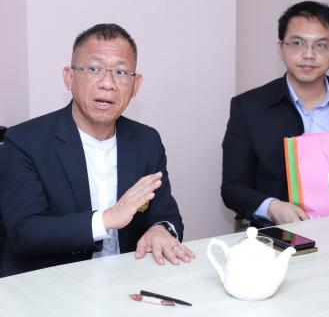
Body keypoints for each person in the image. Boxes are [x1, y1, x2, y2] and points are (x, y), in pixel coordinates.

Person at [0, 23, 194, 277]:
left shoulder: (146, 140)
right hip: (51, 283)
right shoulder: (25, 141)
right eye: (94, 69)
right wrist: (107, 219)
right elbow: (24, 233)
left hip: (126, 280)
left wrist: (160, 230)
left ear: (135, 85)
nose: (108, 83)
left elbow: (166, 215)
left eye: (121, 72)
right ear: (69, 77)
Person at [222, 0, 329, 226]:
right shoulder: (249, 107)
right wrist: (272, 207)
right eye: (297, 43)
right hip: (286, 232)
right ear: (281, 47)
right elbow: (233, 188)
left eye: (321, 45)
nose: (309, 54)